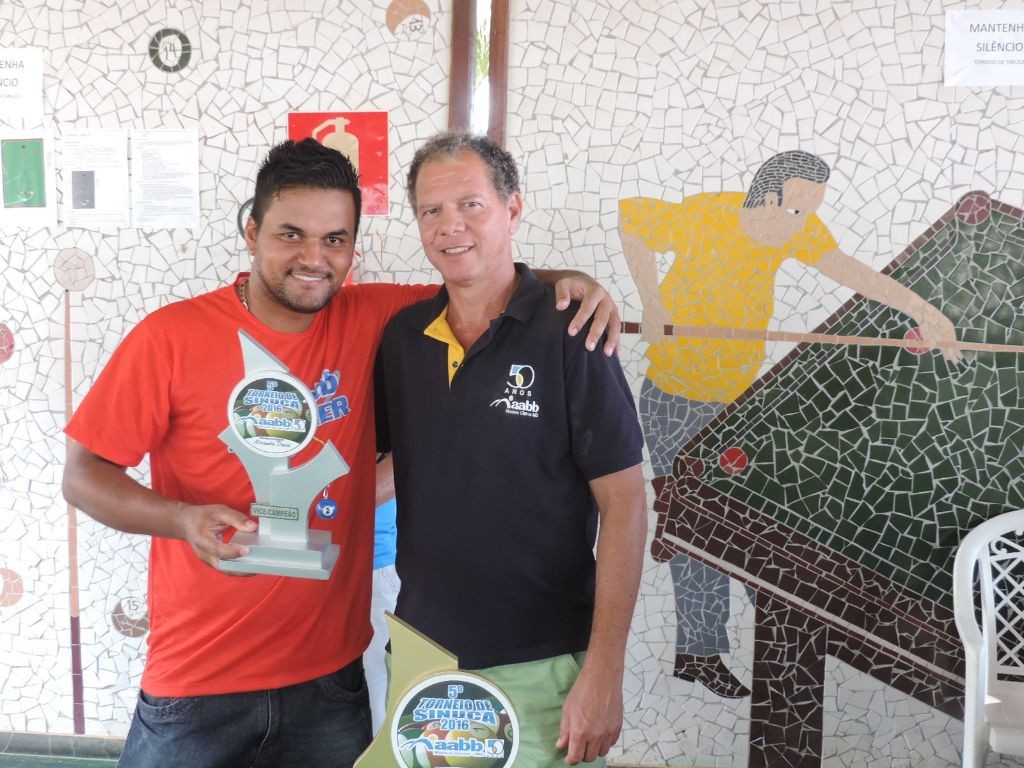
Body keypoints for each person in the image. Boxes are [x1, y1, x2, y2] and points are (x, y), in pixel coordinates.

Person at [61, 137, 621, 768]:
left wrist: (570, 283)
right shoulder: (170, 336)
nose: (313, 258)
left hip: (330, 683)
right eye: (291, 234)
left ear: (355, 246)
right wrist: (182, 519)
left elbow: (483, 280)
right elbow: (83, 477)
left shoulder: (378, 317)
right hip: (197, 682)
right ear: (252, 232)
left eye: (335, 239)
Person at [618, 150, 962, 698]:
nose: (805, 222)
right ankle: (699, 654)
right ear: (769, 195)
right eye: (799, 209)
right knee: (695, 529)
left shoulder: (794, 230)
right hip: (675, 397)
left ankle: (784, 643)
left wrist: (922, 310)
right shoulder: (708, 213)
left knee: (759, 526)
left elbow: (849, 271)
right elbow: (633, 220)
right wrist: (652, 301)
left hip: (739, 404)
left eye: (812, 211)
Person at [375, 132, 647, 767]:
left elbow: (627, 505)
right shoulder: (404, 337)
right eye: (431, 211)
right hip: (422, 657)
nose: (450, 225)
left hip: (543, 665)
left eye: (470, 204)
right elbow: (402, 465)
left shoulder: (573, 331)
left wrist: (604, 671)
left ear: (512, 208)